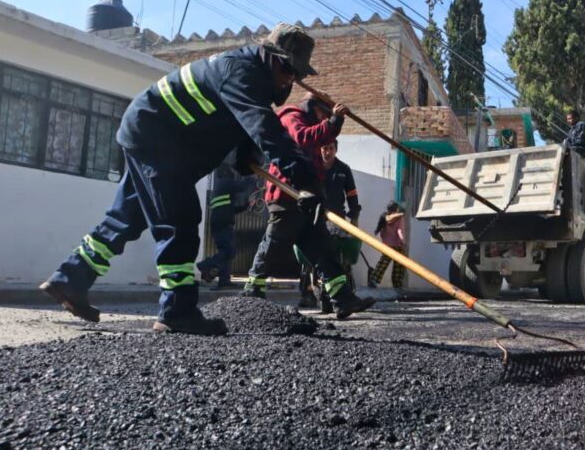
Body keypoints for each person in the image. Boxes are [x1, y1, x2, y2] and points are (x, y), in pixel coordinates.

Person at [39, 23, 372, 335]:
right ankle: (177, 311)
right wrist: (304, 181)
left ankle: (70, 278)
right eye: (288, 71)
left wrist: (245, 155)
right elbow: (267, 131)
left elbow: (240, 124)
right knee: (181, 220)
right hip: (157, 137)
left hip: (152, 134)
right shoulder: (242, 72)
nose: (289, 81)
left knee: (127, 217)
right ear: (271, 58)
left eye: (296, 75)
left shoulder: (247, 76)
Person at [243, 92, 376, 318]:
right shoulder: (291, 117)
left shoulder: (314, 126)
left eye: (326, 117)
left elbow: (322, 142)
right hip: (287, 197)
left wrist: (335, 122)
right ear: (312, 107)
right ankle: (252, 293)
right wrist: (332, 122)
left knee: (324, 251)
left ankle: (342, 299)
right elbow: (303, 137)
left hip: (308, 201)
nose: (322, 120)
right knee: (274, 245)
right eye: (322, 115)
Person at [301, 140, 362, 312]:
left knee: (336, 255)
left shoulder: (343, 169)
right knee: (311, 256)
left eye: (330, 148)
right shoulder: (313, 167)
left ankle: (342, 290)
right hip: (315, 216)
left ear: (336, 150)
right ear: (319, 150)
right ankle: (307, 292)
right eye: (324, 148)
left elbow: (352, 195)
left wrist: (354, 218)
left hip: (337, 219)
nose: (327, 152)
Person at [196, 154, 253, 290]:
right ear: (227, 172)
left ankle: (224, 281)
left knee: (225, 251)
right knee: (229, 251)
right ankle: (206, 265)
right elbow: (243, 185)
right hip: (222, 223)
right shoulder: (226, 182)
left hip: (220, 221)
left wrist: (245, 206)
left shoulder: (221, 187)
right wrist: (253, 175)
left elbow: (229, 209)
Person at [367, 201, 406, 289]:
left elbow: (382, 232)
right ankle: (397, 285)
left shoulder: (384, 217)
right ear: (397, 209)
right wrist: (403, 242)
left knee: (383, 263)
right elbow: (400, 231)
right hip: (398, 245)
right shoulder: (400, 218)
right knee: (399, 266)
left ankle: (373, 280)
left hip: (387, 245)